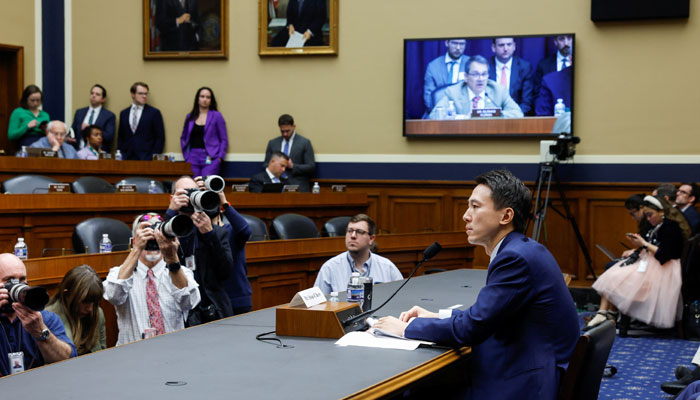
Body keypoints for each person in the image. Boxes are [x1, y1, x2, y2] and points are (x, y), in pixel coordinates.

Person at [373, 169, 579, 400]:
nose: (465, 215)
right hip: (527, 365)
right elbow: (490, 316)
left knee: (411, 392)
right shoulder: (522, 248)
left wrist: (406, 329)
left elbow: (472, 327)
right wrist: (437, 317)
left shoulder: (515, 258)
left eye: (475, 206)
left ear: (505, 216)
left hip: (524, 383)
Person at [586, 195, 689, 330]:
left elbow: (665, 254)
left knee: (616, 276)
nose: (648, 219)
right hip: (655, 266)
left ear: (661, 211)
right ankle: (606, 313)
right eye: (646, 215)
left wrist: (643, 244)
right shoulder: (659, 226)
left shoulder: (671, 227)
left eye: (650, 215)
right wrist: (639, 245)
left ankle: (607, 314)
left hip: (664, 270)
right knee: (614, 273)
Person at [103, 213, 200, 345]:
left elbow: (188, 302)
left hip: (172, 353)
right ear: (134, 240)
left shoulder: (181, 273)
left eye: (159, 235)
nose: (153, 239)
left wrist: (172, 259)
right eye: (147, 234)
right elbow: (114, 295)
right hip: (132, 355)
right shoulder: (119, 274)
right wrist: (137, 248)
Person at [165, 176, 235, 325]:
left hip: (212, 310)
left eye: (193, 192)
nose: (189, 197)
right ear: (172, 197)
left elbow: (226, 272)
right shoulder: (165, 230)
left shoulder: (216, 232)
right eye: (184, 193)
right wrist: (171, 212)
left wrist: (210, 235)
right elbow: (161, 251)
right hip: (175, 311)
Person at [0, 253, 77, 376]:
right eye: (10, 280)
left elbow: (69, 359)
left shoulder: (44, 318)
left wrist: (41, 332)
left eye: (22, 280)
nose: (18, 285)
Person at [195, 176, 253, 314]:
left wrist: (224, 202)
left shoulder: (230, 231)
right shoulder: (195, 234)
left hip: (236, 298)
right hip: (210, 302)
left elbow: (245, 230)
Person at [314, 214, 403, 295]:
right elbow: (317, 306)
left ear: (371, 239)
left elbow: (402, 298)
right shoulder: (330, 268)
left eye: (359, 232)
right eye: (349, 231)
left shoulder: (387, 267)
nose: (353, 235)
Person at [429, 55, 524, 119]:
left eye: (484, 74)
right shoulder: (453, 92)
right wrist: (460, 118)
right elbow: (434, 116)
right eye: (475, 74)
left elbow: (518, 114)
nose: (480, 79)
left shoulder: (498, 91)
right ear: (466, 77)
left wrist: (492, 115)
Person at [45, 265, 106, 355]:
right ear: (67, 295)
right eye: (85, 302)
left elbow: (103, 354)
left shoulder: (97, 313)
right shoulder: (49, 318)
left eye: (94, 302)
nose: (90, 309)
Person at [180, 87, 228, 177]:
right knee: (194, 185)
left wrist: (220, 158)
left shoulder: (217, 116)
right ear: (197, 99)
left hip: (211, 157)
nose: (205, 99)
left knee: (206, 185)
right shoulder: (190, 117)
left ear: (211, 100)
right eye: (202, 96)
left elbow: (224, 139)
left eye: (208, 97)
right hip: (192, 157)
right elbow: (183, 137)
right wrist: (186, 156)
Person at [263, 114, 315, 192]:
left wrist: (293, 166)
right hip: (276, 185)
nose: (285, 134)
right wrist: (276, 166)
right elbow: (265, 165)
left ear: (293, 127)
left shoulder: (305, 143)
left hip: (298, 187)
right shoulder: (273, 143)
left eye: (287, 131)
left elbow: (311, 167)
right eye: (282, 131)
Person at [117, 82, 165, 160]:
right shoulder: (124, 113)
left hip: (146, 158)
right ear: (133, 94)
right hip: (126, 157)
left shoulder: (154, 113)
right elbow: (120, 137)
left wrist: (154, 157)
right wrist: (120, 154)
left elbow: (160, 138)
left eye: (146, 94)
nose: (144, 96)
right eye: (140, 93)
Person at [488, 37, 535, 115]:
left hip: (516, 117)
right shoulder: (485, 67)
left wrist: (513, 116)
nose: (506, 49)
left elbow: (527, 102)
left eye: (509, 44)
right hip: (490, 118)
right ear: (493, 47)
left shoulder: (525, 67)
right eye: (501, 45)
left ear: (514, 46)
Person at [423, 39, 469, 111]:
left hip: (464, 114)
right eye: (454, 43)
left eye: (462, 44)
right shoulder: (433, 66)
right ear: (447, 43)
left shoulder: (471, 64)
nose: (458, 47)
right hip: (439, 112)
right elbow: (429, 98)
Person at [70, 84, 116, 152]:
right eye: (92, 93)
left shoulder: (109, 116)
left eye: (97, 94)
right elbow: (72, 131)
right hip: (78, 152)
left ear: (103, 99)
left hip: (98, 153)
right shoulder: (79, 113)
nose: (93, 96)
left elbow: (109, 137)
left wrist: (90, 128)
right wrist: (69, 137)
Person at [534, 34, 573, 98]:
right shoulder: (543, 65)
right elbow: (538, 95)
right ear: (555, 41)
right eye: (561, 39)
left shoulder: (580, 63)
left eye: (569, 38)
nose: (566, 43)